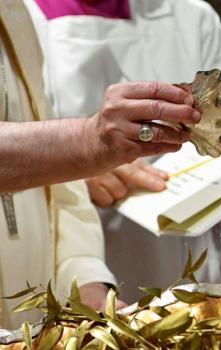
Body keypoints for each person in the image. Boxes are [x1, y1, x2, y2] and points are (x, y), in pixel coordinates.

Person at [23, 0, 221, 302]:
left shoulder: (189, 16)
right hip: (64, 273)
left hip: (183, 272)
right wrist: (70, 167)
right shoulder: (18, 21)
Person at [0, 0, 199, 329]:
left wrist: (84, 280)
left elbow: (58, 191)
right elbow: (71, 151)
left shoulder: (12, 11)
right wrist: (86, 141)